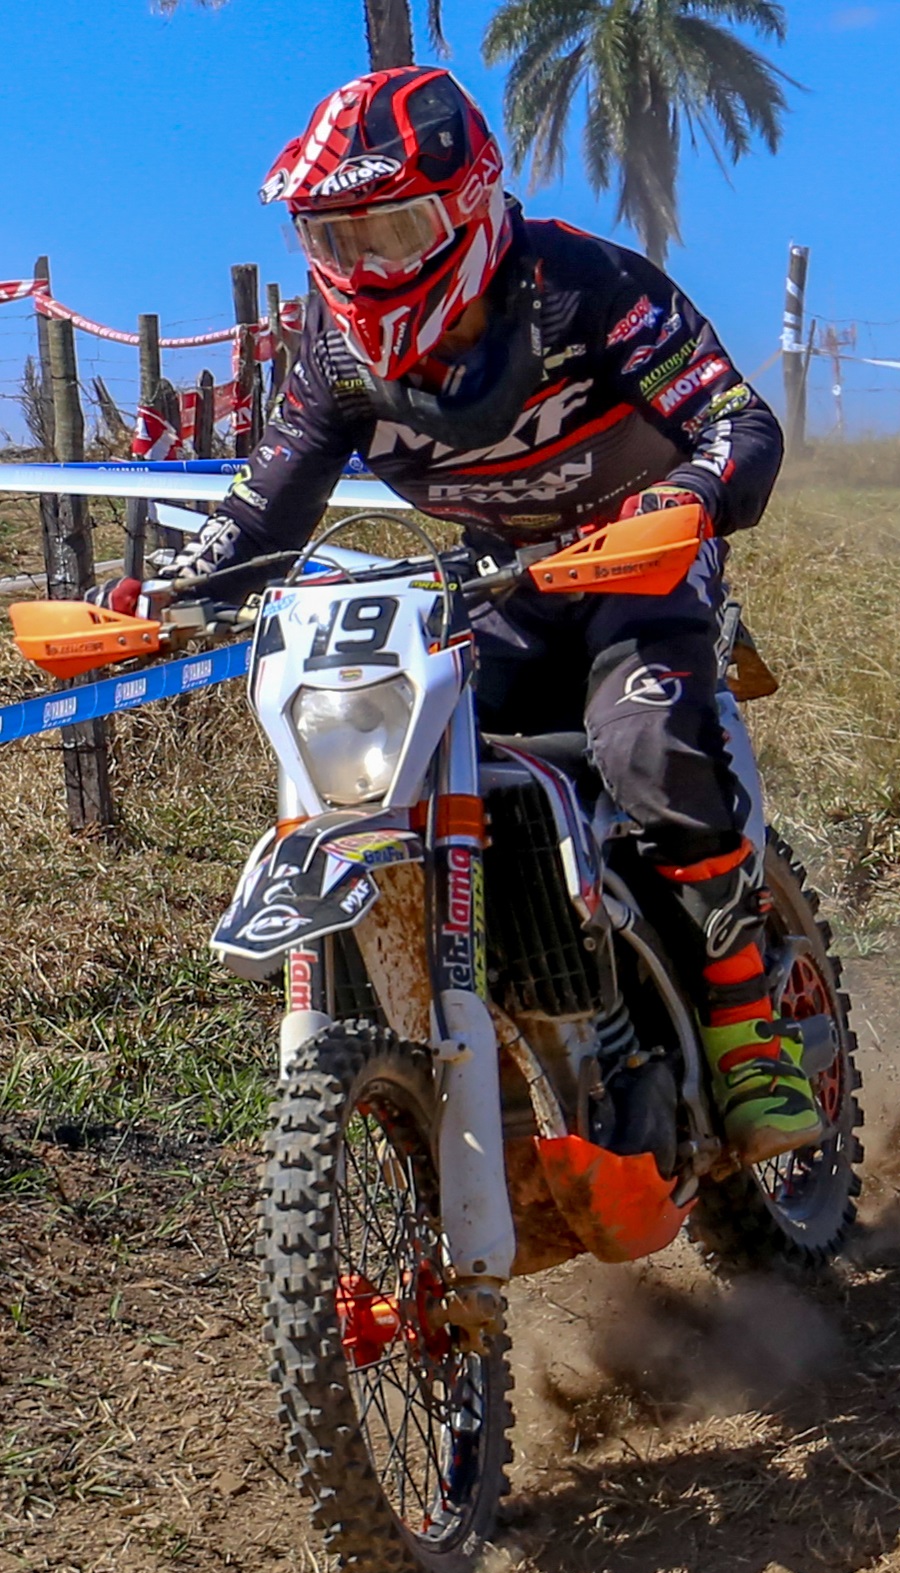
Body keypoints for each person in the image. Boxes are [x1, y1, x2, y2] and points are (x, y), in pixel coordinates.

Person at [92, 69, 819, 1164]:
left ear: (471, 206)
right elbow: (263, 508)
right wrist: (163, 596)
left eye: (392, 230)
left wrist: (688, 496)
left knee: (639, 739)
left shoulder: (584, 285)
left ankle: (742, 1016)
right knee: (397, 753)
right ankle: (510, 1005)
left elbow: (736, 421)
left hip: (643, 560)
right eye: (335, 239)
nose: (365, 265)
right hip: (500, 580)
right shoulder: (333, 351)